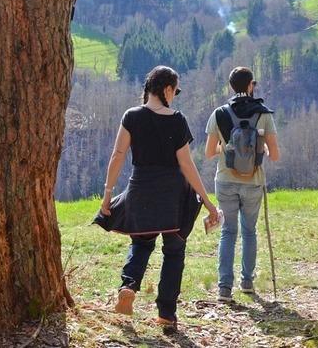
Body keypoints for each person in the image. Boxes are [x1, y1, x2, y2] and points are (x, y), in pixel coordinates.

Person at [98, 65, 219, 328]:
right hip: (174, 198)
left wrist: (107, 194)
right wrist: (207, 201)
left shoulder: (131, 116)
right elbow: (187, 165)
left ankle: (128, 285)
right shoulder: (177, 120)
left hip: (141, 190)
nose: (175, 95)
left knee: (141, 245)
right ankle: (166, 315)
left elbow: (117, 156)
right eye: (175, 90)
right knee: (174, 252)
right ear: (166, 89)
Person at [204, 66, 280, 302]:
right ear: (250, 86)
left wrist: (227, 148)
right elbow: (275, 155)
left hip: (225, 180)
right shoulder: (264, 114)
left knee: (228, 232)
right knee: (249, 231)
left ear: (231, 86)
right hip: (253, 182)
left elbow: (208, 152)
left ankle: (224, 288)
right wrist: (262, 148)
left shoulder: (219, 114)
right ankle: (247, 282)